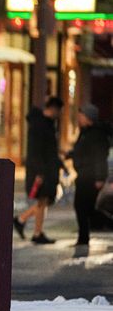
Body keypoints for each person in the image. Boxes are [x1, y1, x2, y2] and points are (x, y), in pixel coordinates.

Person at [13, 97, 64, 244]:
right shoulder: (40, 125)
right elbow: (37, 151)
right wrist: (39, 173)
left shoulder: (46, 125)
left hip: (47, 169)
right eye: (59, 111)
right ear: (53, 108)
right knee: (43, 200)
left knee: (46, 200)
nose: (59, 115)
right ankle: (36, 232)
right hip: (42, 170)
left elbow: (49, 150)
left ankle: (22, 221)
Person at [64, 103, 110, 246]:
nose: (79, 118)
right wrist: (71, 154)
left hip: (90, 176)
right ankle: (83, 238)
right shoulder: (85, 132)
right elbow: (83, 151)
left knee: (84, 207)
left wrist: (99, 177)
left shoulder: (96, 134)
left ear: (89, 117)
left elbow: (99, 156)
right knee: (84, 207)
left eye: (81, 116)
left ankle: (85, 237)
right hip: (84, 174)